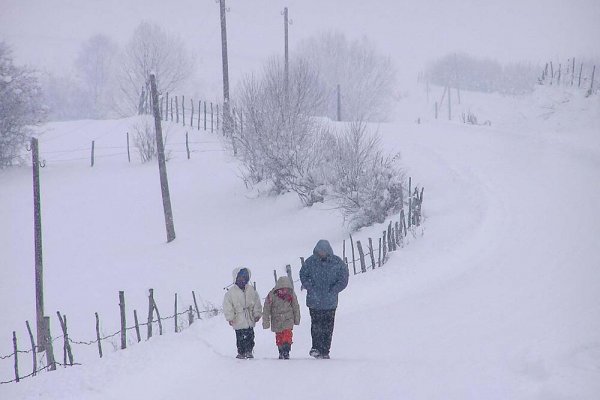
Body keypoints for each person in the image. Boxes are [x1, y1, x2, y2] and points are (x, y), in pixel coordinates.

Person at [300, 239, 349, 359]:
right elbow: (303, 275)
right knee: (316, 326)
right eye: (319, 251)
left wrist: (334, 290)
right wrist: (310, 288)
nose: (321, 253)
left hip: (330, 303)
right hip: (314, 302)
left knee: (328, 327)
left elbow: (344, 278)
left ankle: (325, 350)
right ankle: (316, 347)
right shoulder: (310, 262)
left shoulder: (337, 263)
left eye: (323, 251)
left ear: (328, 251)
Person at [223, 267, 262, 359]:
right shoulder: (231, 293)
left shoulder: (251, 290)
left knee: (250, 336)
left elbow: (257, 302)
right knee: (240, 337)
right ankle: (241, 352)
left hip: (249, 319)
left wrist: (257, 313)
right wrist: (230, 317)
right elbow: (228, 306)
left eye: (244, 278)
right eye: (240, 278)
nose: (242, 280)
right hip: (238, 319)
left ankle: (249, 351)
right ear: (235, 278)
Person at [262, 276, 301, 359]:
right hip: (276, 320)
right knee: (279, 336)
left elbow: (295, 307)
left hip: (288, 319)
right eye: (282, 289)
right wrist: (266, 322)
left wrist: (296, 319)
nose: (284, 291)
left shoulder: (291, 295)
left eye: (286, 289)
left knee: (287, 334)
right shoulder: (271, 295)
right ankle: (280, 351)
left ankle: (286, 351)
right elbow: (266, 309)